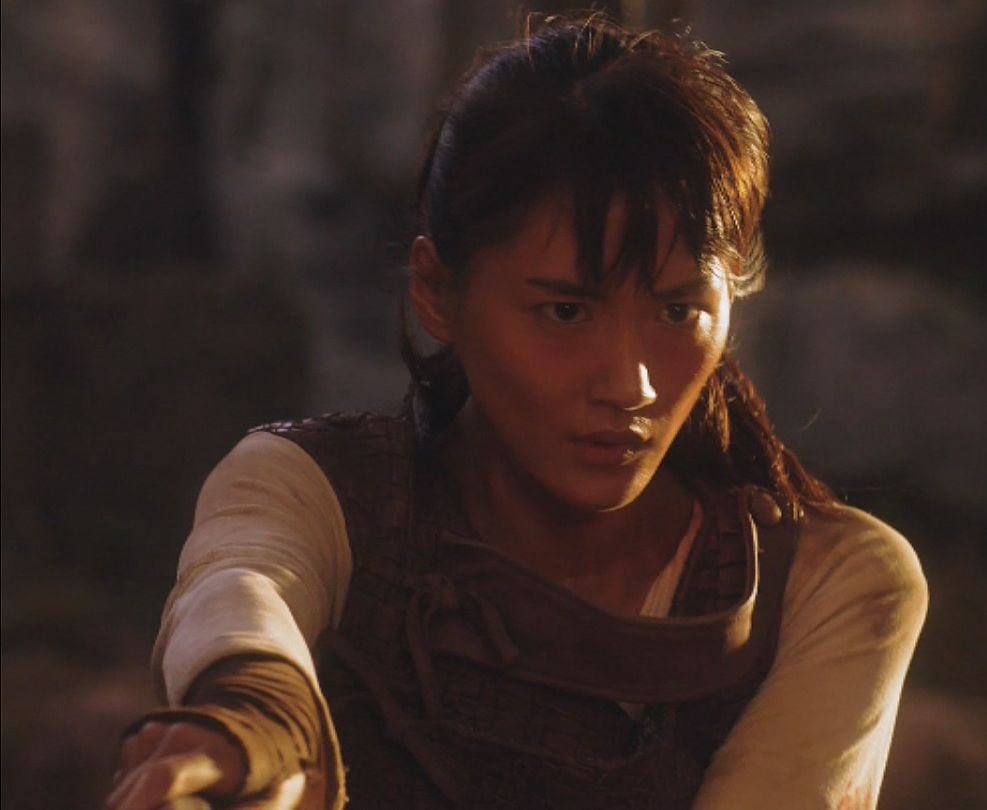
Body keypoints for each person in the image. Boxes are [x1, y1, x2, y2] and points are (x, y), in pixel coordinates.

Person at [105, 13, 927, 810]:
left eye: (679, 311)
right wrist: (261, 718)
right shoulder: (319, 491)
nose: (631, 384)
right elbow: (242, 590)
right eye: (565, 311)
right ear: (437, 292)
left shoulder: (824, 585)